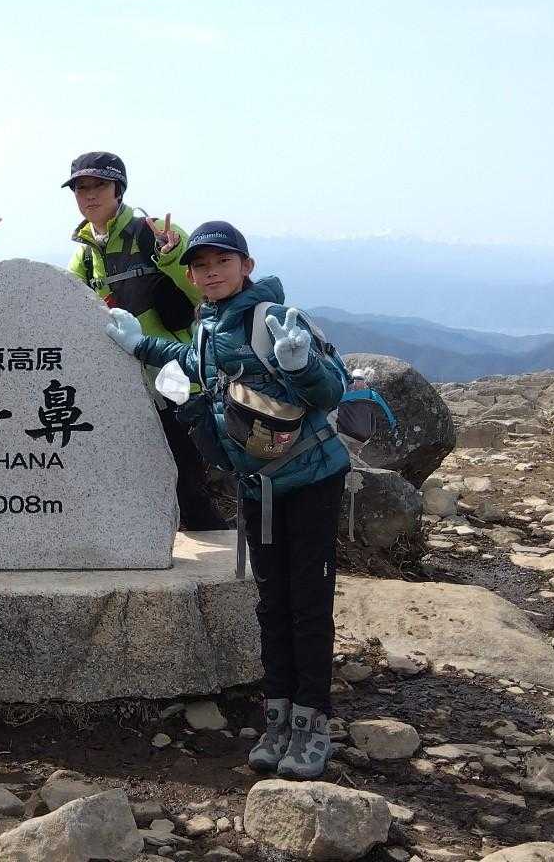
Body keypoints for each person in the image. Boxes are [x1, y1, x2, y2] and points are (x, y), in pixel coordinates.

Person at [103, 221, 352, 780]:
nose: (211, 273)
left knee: (308, 604)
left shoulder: (273, 320)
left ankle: (313, 724)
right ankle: (278, 718)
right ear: (191, 275)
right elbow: (195, 364)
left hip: (311, 479)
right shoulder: (208, 325)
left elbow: (330, 390)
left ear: (247, 266)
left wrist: (302, 364)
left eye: (222, 261)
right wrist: (138, 344)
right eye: (201, 265)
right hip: (257, 484)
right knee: (270, 601)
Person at [64, 151, 227, 532]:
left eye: (99, 185)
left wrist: (172, 256)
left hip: (173, 376)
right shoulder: (85, 254)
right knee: (141, 473)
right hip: (124, 383)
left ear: (118, 190)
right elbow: (68, 303)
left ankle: (214, 542)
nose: (90, 195)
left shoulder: (154, 235)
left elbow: (205, 293)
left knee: (187, 476)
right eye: (81, 188)